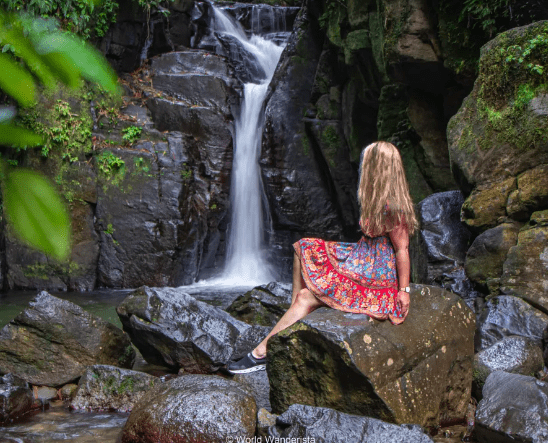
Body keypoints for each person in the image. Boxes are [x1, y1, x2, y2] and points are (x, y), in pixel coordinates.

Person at [227, 141, 418, 374]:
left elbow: (402, 250)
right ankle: (294, 316)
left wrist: (404, 292)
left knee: (307, 296)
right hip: (360, 256)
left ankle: (261, 354)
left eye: (366, 162)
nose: (362, 166)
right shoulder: (375, 198)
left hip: (374, 275)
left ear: (378, 168)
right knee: (303, 246)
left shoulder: (393, 207)